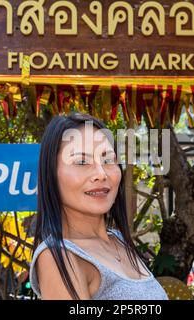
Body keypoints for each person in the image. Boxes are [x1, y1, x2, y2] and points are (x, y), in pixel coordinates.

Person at [29, 112, 168, 300]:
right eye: (81, 162)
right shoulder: (59, 255)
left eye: (108, 160)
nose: (101, 174)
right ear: (51, 174)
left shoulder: (119, 241)